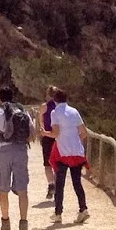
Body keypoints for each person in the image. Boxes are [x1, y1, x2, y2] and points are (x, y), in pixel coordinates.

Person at [0, 85, 33, 230]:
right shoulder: (22, 110)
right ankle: (23, 226)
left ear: (0, 98)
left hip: (3, 151)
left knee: (3, 189)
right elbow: (32, 133)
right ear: (12, 97)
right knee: (22, 189)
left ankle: (5, 223)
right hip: (20, 150)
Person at [46, 87, 90, 223]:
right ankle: (83, 209)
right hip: (76, 151)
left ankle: (58, 213)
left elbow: (56, 133)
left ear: (54, 100)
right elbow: (83, 132)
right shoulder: (74, 111)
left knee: (60, 183)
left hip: (62, 152)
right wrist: (74, 141)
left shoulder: (55, 113)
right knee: (77, 182)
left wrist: (45, 133)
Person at [39, 85, 60, 200]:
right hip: (59, 137)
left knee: (47, 163)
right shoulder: (60, 107)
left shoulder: (44, 107)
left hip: (47, 136)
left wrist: (44, 131)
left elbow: (41, 121)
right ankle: (57, 185)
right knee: (57, 163)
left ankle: (51, 184)